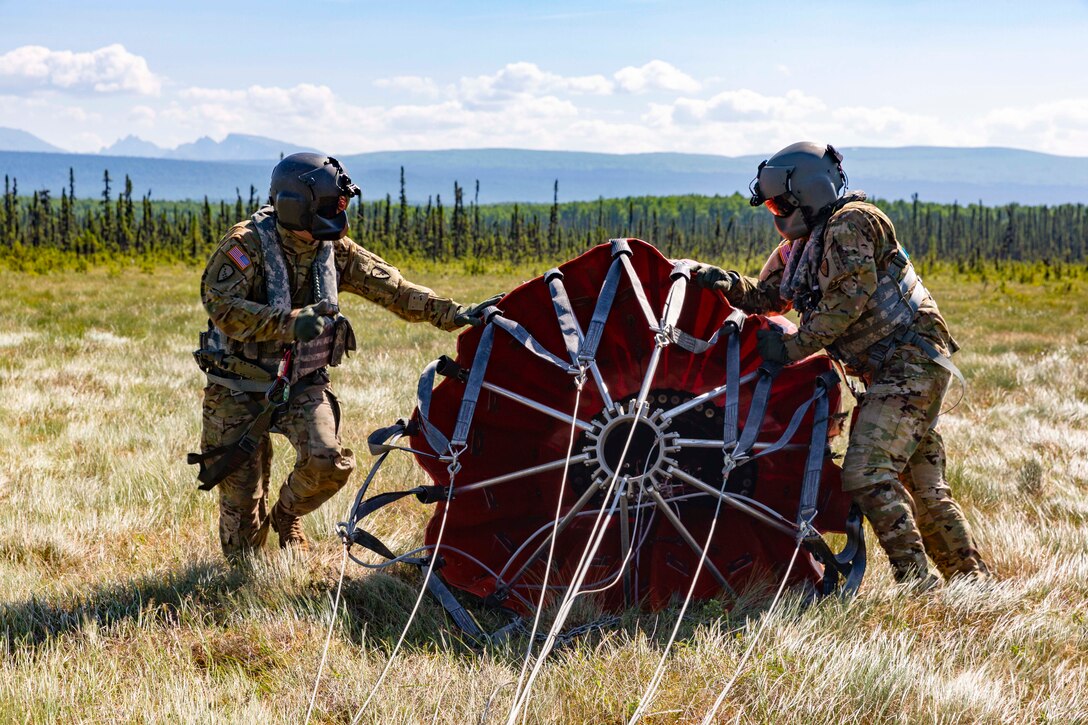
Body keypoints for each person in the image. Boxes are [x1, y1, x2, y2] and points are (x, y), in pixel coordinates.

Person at [688, 142, 990, 586]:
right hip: (891, 372)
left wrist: (793, 350)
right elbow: (772, 298)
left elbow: (846, 300)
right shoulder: (803, 245)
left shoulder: (853, 224)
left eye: (779, 203)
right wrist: (729, 283)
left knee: (867, 475)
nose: (775, 213)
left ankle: (919, 585)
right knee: (924, 487)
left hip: (909, 364)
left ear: (805, 193)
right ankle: (972, 588)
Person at [189, 152, 498, 561]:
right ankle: (249, 546)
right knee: (241, 544)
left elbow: (394, 288)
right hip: (238, 387)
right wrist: (288, 323)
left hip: (299, 382)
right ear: (294, 208)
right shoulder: (245, 245)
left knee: (328, 463)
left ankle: (287, 515)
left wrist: (454, 313)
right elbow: (221, 305)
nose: (328, 228)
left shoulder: (332, 248)